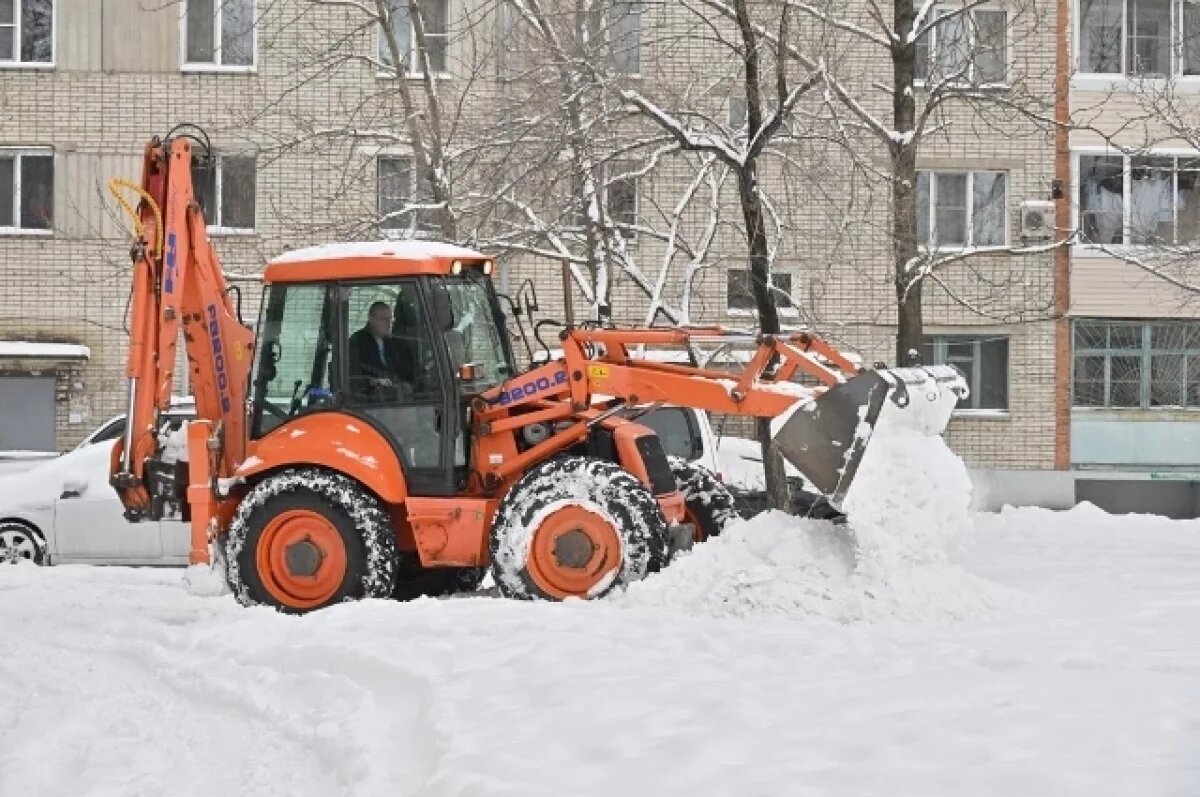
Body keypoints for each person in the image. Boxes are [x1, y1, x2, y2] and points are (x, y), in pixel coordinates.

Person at [349, 301, 414, 402]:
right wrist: (373, 381)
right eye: (383, 320)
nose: (388, 324)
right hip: (370, 394)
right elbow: (354, 374)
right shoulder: (357, 342)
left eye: (390, 320)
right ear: (371, 319)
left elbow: (403, 368)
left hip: (394, 387)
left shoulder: (393, 343)